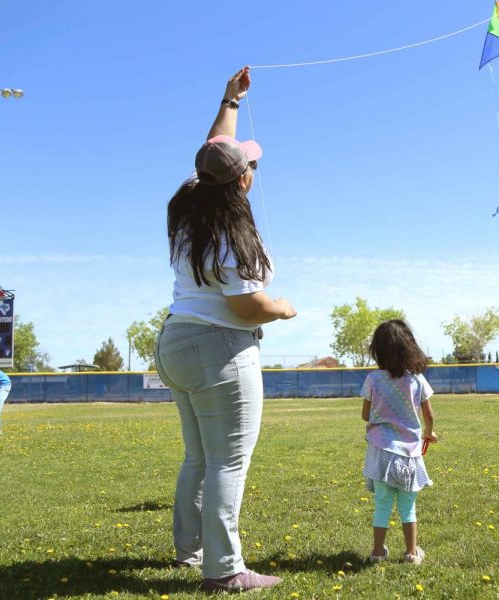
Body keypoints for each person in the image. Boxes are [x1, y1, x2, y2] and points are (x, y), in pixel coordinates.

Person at [154, 66, 297, 594]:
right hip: (219, 349)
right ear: (242, 180)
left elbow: (216, 148)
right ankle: (225, 570)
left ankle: (191, 553)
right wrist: (281, 309)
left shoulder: (190, 205)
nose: (252, 168)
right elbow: (246, 307)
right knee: (228, 462)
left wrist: (230, 100)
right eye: (250, 165)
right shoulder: (234, 236)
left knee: (198, 458)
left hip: (176, 341)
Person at [361, 319, 437, 565]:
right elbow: (429, 415)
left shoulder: (373, 379)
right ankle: (411, 552)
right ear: (410, 347)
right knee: (408, 505)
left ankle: (378, 552)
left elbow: (365, 414)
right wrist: (429, 432)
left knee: (382, 504)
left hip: (381, 453)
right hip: (409, 454)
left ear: (378, 351)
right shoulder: (417, 380)